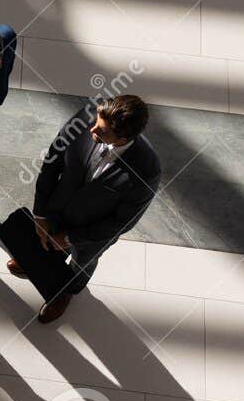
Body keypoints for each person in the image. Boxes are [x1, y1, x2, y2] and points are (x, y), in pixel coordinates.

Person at [12, 95, 162, 324]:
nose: (92, 131)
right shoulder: (88, 116)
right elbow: (52, 160)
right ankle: (37, 263)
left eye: (102, 132)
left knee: (82, 264)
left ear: (124, 137)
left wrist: (72, 238)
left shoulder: (147, 169)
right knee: (43, 240)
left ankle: (65, 293)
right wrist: (40, 212)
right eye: (96, 123)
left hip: (91, 235)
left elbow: (123, 222)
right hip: (56, 208)